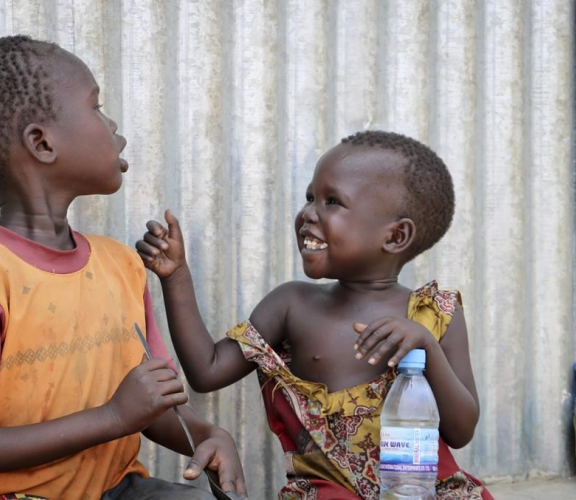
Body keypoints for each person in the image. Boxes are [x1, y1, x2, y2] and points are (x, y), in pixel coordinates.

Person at [0, 35, 246, 500]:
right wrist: (112, 418)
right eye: (97, 107)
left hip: (118, 489)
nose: (115, 126)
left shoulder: (119, 265)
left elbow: (147, 406)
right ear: (42, 143)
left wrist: (210, 435)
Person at [137, 131, 493, 499]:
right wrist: (176, 275)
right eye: (310, 198)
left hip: (421, 489)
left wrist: (426, 349)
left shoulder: (435, 315)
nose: (308, 213)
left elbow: (461, 430)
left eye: (332, 201)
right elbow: (207, 369)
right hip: (330, 491)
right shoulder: (293, 305)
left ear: (395, 236)